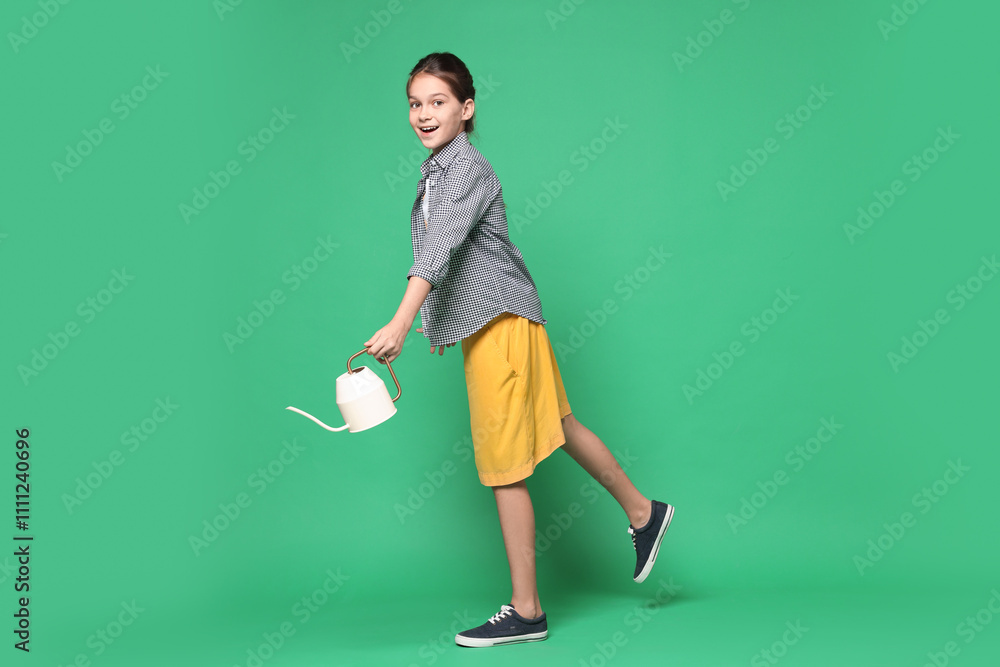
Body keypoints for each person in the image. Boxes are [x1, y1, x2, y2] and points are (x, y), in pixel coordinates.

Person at [363, 52, 674, 648]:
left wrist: (403, 322)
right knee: (560, 425)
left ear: (466, 108)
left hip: (503, 329)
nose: (424, 114)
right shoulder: (440, 171)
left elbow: (440, 251)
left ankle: (527, 609)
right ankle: (643, 512)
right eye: (415, 103)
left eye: (438, 102)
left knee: (505, 467)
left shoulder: (467, 171)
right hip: (505, 324)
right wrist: (437, 321)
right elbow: (460, 259)